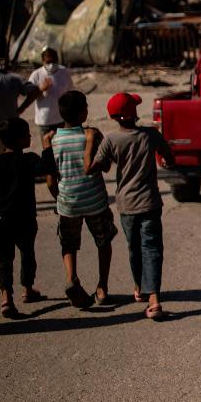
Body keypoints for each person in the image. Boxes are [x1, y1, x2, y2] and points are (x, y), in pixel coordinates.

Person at [89, 92, 174, 320]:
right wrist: (169, 162)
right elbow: (168, 156)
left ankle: (139, 287)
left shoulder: (111, 140)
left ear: (114, 117)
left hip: (126, 204)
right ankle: (154, 297)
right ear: (133, 113)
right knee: (152, 248)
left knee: (133, 247)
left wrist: (90, 144)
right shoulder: (150, 135)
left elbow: (97, 167)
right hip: (150, 202)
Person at [46, 90, 115, 310]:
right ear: (83, 112)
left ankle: (72, 279)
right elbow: (105, 166)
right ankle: (102, 287)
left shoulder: (53, 140)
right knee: (103, 242)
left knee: (68, 244)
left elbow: (50, 178)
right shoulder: (91, 135)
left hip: (68, 201)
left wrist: (60, 198)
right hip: (94, 200)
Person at [0, 118, 56, 318]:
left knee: (3, 260)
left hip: (1, 220)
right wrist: (47, 146)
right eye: (26, 134)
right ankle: (27, 288)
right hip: (24, 219)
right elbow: (47, 167)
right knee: (27, 253)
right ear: (17, 139)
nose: (30, 136)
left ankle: (6, 297)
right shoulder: (28, 160)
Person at [28, 47, 74, 137]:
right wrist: (41, 89)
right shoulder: (36, 75)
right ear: (42, 61)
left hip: (61, 118)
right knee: (47, 148)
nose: (51, 65)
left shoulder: (63, 72)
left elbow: (69, 91)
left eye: (54, 61)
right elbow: (29, 97)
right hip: (44, 120)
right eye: (48, 62)